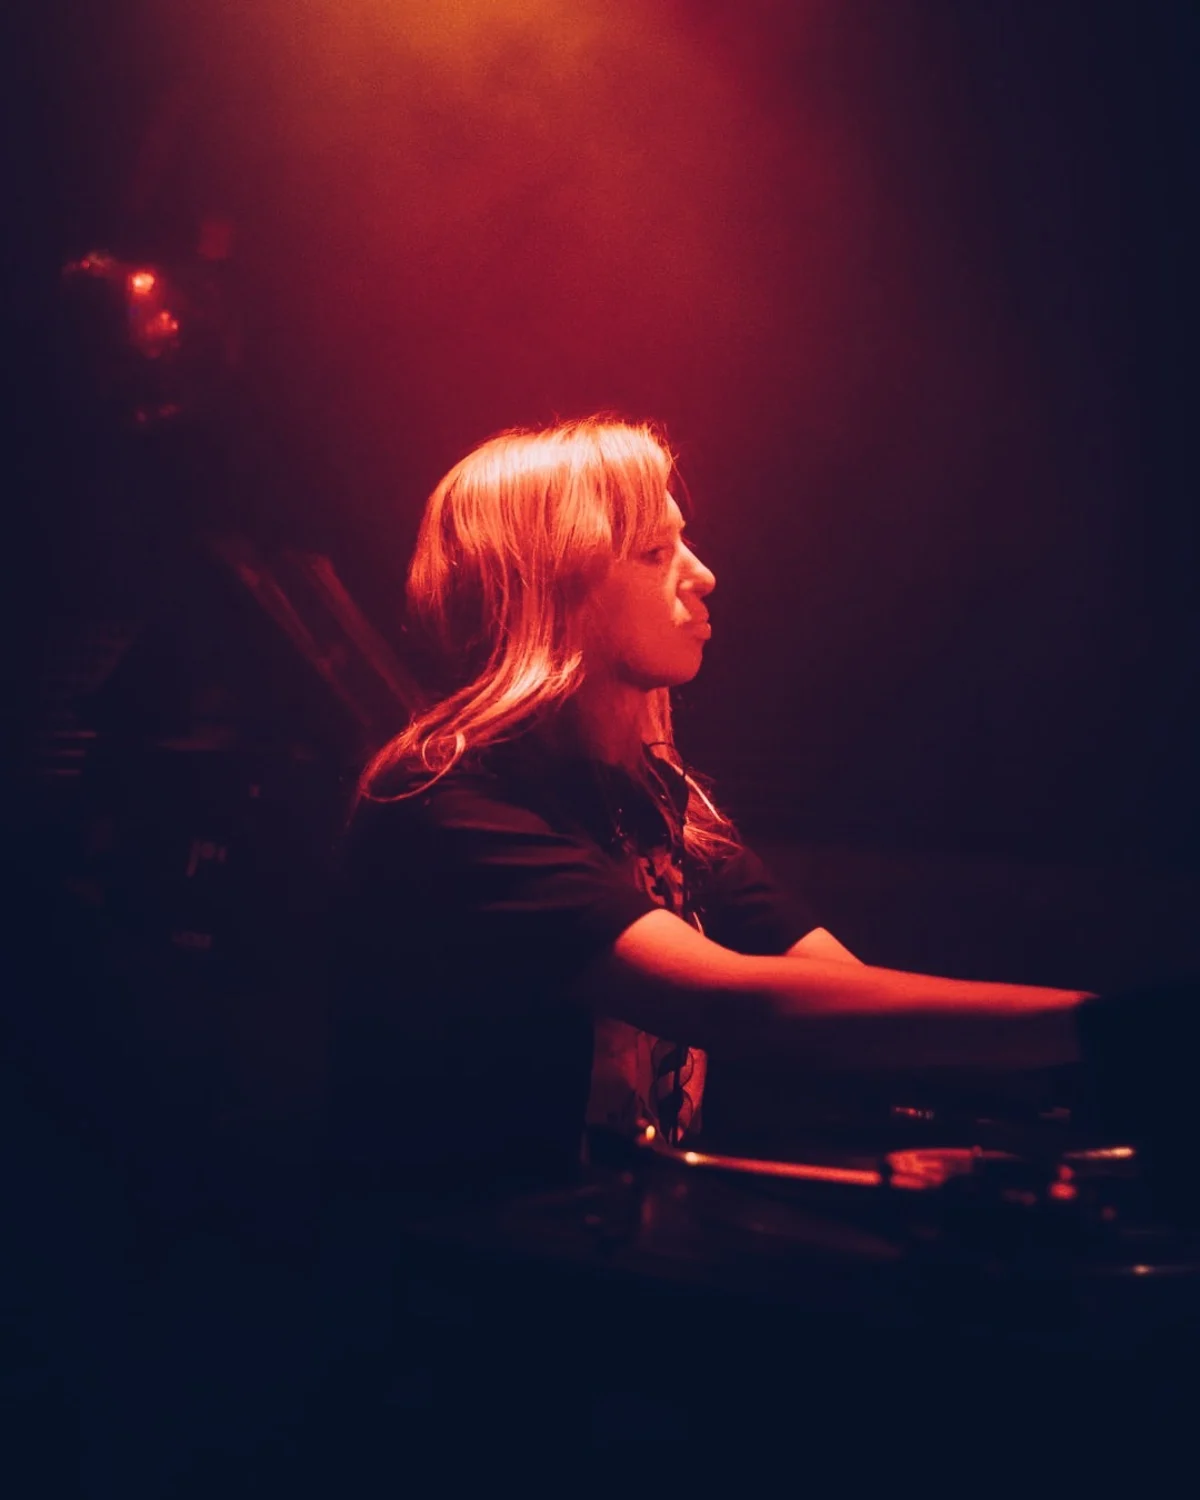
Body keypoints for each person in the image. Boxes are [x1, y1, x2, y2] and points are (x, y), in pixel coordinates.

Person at [331, 416, 1091, 1195]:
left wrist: (1069, 1073)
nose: (703, 576)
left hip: (605, 1248)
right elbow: (728, 1003)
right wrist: (1104, 1029)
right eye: (654, 553)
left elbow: (841, 992)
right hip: (467, 1261)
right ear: (552, 585)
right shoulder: (447, 805)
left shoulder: (658, 799)